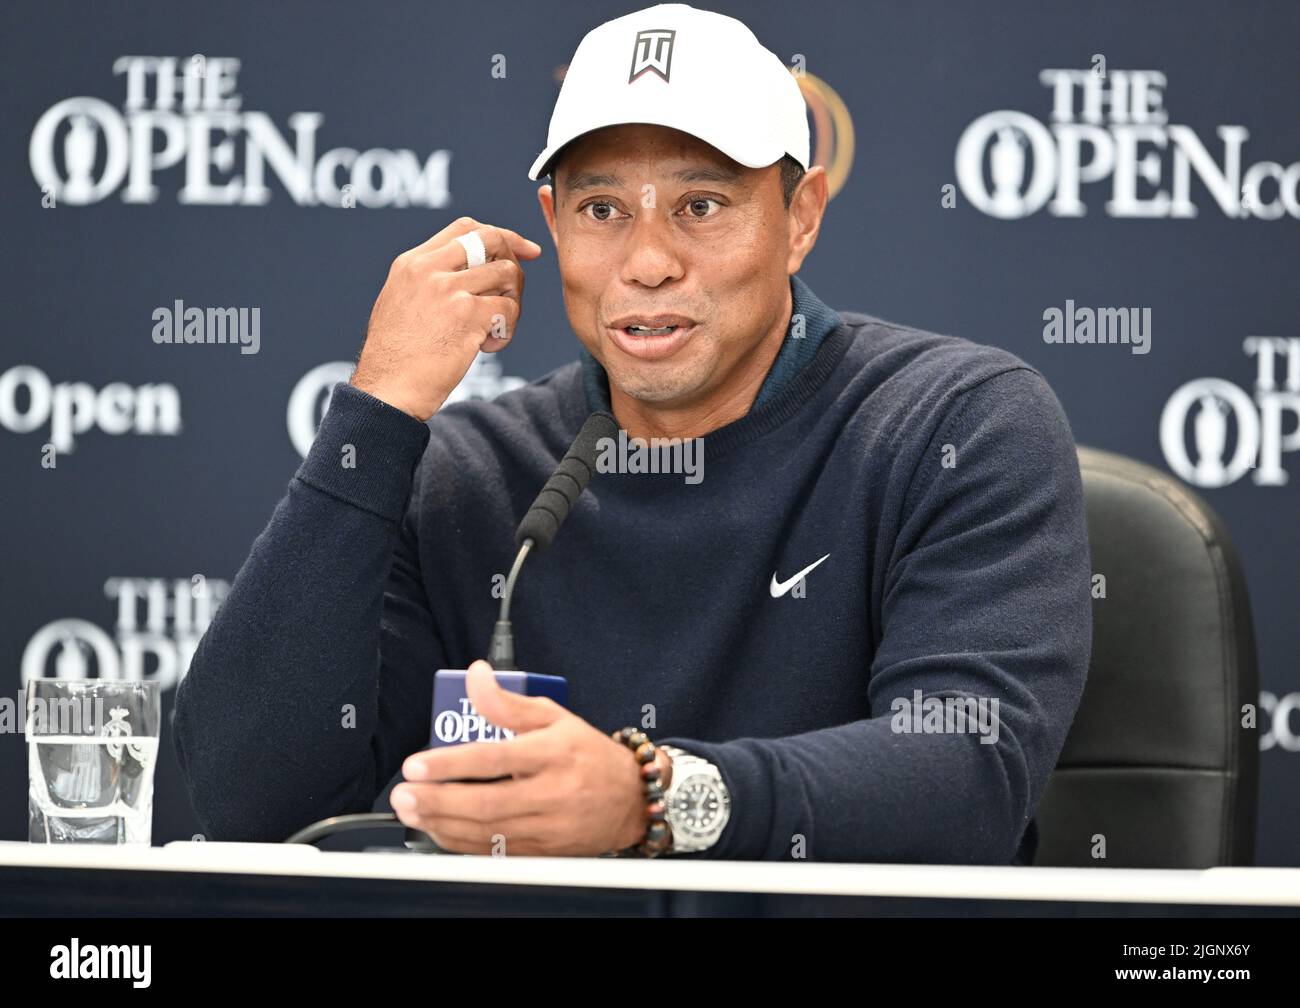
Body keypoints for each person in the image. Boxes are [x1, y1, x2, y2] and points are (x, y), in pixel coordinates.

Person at [173, 3, 1091, 863]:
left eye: (701, 205)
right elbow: (256, 811)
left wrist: (654, 799)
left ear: (800, 217)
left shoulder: (954, 423)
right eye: (602, 210)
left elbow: (973, 775)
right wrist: (376, 413)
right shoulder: (466, 475)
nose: (647, 263)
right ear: (552, 225)